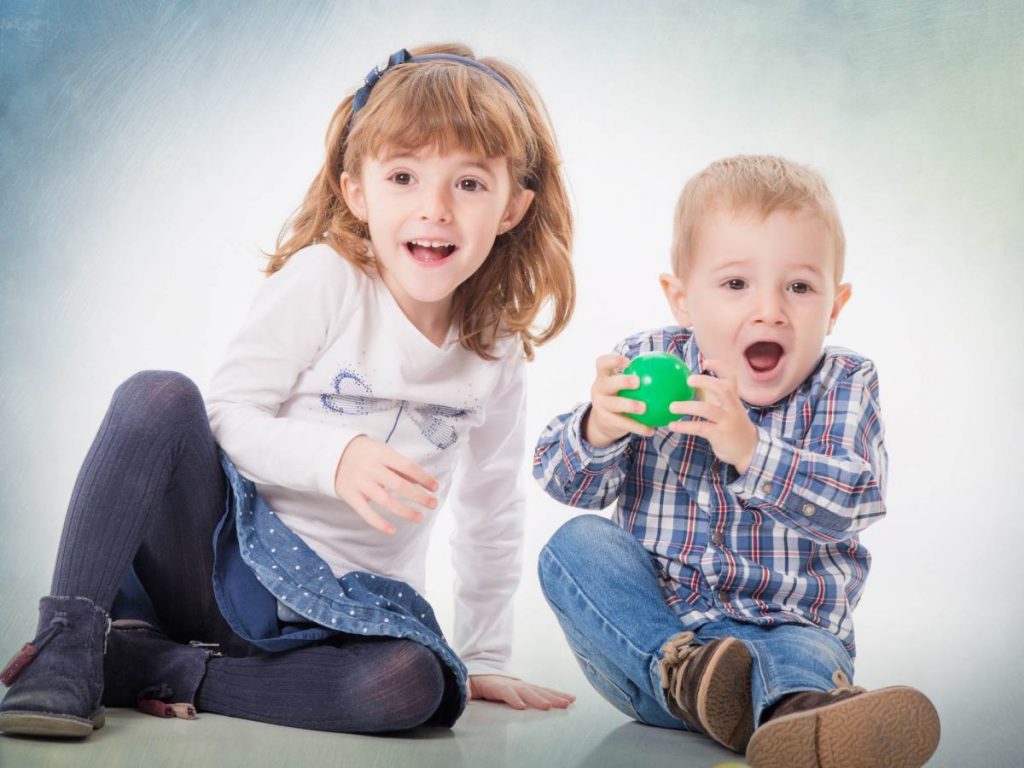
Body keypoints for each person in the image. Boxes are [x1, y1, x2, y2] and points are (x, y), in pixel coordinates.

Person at [0, 43, 576, 738]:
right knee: (157, 395)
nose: (436, 209)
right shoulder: (327, 281)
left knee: (415, 686)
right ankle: (64, 648)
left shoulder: (495, 352)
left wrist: (483, 655)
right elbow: (228, 416)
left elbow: (492, 510)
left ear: (512, 207)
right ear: (355, 191)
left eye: (470, 184)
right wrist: (334, 458)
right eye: (404, 176)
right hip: (220, 566)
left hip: (343, 613)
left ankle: (158, 668)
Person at [532, 155, 940, 767]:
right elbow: (561, 480)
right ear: (682, 299)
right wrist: (600, 427)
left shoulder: (843, 383)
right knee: (574, 546)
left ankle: (800, 722)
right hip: (656, 643)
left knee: (799, 663)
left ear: (835, 305)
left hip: (789, 625)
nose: (770, 310)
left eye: (799, 287)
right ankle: (693, 681)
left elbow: (857, 500)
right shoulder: (648, 362)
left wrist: (753, 450)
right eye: (734, 285)